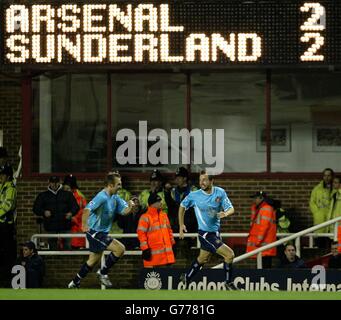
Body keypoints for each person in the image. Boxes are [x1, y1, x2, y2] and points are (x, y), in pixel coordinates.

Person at [68, 172, 135, 289]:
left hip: (102, 233)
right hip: (94, 232)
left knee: (92, 261)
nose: (120, 186)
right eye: (118, 184)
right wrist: (84, 225)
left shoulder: (115, 198)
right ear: (110, 185)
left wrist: (130, 207)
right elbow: (87, 209)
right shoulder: (102, 197)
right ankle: (103, 272)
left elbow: (124, 212)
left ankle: (75, 282)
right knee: (120, 249)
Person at [178, 170, 237, 290]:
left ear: (211, 181)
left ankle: (187, 277)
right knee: (229, 255)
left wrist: (225, 214)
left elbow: (231, 209)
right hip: (205, 234)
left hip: (215, 233)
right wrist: (181, 225)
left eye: (204, 180)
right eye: (200, 180)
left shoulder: (220, 193)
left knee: (203, 258)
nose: (201, 183)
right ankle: (228, 283)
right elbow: (182, 206)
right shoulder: (194, 195)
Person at [33, 176, 80, 250]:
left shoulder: (67, 194)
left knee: (67, 248)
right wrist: (43, 212)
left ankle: (67, 261)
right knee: (52, 248)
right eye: (52, 182)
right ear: (49, 182)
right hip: (50, 226)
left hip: (65, 225)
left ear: (59, 182)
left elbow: (75, 207)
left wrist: (71, 213)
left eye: (56, 182)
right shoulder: (43, 195)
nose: (54, 184)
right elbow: (36, 208)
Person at [137, 193, 175, 268]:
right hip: (152, 257)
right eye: (158, 201)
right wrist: (145, 249)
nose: (161, 203)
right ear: (152, 204)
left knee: (165, 277)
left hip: (166, 257)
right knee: (153, 278)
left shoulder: (164, 215)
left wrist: (172, 243)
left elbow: (169, 230)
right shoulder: (145, 217)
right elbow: (141, 234)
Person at [246, 191, 277, 269]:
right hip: (262, 245)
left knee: (265, 267)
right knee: (261, 267)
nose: (254, 200)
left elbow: (264, 226)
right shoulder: (260, 208)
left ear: (261, 198)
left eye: (255, 198)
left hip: (264, 245)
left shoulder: (266, 209)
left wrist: (258, 241)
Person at [164, 166, 198, 234]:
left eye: (179, 178)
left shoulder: (193, 190)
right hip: (175, 228)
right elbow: (171, 208)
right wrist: (167, 192)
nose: (176, 180)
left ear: (185, 178)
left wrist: (195, 229)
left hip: (190, 229)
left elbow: (197, 211)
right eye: (176, 178)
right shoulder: (173, 191)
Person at [0, 163, 17, 287]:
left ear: (8, 176)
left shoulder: (10, 188)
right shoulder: (2, 187)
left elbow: (7, 206)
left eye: (3, 174)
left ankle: (7, 280)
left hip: (6, 225)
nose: (1, 177)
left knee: (6, 253)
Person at [63, 174, 87, 249]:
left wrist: (72, 217)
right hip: (66, 227)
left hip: (76, 229)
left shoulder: (80, 197)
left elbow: (82, 212)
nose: (65, 190)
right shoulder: (63, 195)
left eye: (67, 188)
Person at [309, 168, 334, 237]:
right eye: (325, 175)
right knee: (320, 241)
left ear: (332, 177)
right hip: (320, 219)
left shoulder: (336, 189)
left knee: (333, 240)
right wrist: (317, 213)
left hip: (332, 218)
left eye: (329, 175)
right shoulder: (317, 189)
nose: (327, 178)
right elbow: (312, 202)